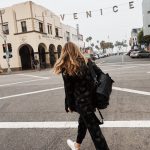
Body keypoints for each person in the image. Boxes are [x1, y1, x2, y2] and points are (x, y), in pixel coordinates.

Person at [54, 42, 109, 150]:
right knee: (83, 122)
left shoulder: (67, 68)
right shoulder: (87, 61)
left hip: (82, 103)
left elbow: (68, 90)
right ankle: (77, 145)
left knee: (95, 133)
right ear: (76, 50)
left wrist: (69, 105)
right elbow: (101, 74)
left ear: (65, 52)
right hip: (92, 100)